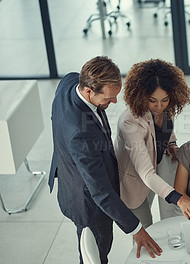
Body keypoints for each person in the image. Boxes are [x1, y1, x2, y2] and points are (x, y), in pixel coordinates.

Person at [48, 56, 162, 263]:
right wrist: (136, 229)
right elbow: (100, 191)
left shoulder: (70, 81)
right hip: (89, 205)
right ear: (89, 90)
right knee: (96, 255)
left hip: (71, 177)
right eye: (109, 98)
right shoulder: (79, 134)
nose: (115, 102)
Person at [114, 59, 190, 228]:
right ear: (141, 95)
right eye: (153, 100)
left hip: (157, 167)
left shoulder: (166, 108)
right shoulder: (130, 123)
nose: (159, 106)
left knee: (168, 223)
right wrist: (180, 199)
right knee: (145, 231)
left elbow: (164, 131)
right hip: (134, 182)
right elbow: (147, 174)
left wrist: (172, 144)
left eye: (165, 100)